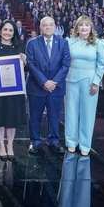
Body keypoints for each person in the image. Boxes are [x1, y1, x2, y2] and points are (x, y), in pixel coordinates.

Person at [26, 16, 70, 155]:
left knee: (54, 116)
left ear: (55, 27)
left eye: (51, 25)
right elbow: (31, 65)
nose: (48, 27)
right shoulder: (32, 43)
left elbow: (65, 64)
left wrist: (54, 82)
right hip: (36, 87)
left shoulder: (63, 43)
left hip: (56, 88)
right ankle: (35, 142)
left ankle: (54, 141)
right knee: (35, 116)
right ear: (40, 27)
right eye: (45, 25)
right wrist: (44, 81)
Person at [0, 20, 27, 161]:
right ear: (0, 31)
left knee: (12, 119)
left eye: (10, 30)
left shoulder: (19, 47)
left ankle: (10, 145)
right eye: (5, 29)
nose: (7, 32)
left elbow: (24, 69)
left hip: (14, 90)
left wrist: (24, 60)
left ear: (14, 32)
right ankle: (1, 145)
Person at [65, 15, 104, 157]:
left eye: (86, 25)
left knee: (87, 114)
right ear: (77, 28)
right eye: (81, 25)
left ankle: (85, 145)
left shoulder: (99, 43)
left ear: (91, 28)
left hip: (90, 83)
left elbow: (101, 65)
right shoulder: (69, 42)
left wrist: (96, 82)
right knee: (71, 113)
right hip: (71, 81)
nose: (84, 27)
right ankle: (71, 142)